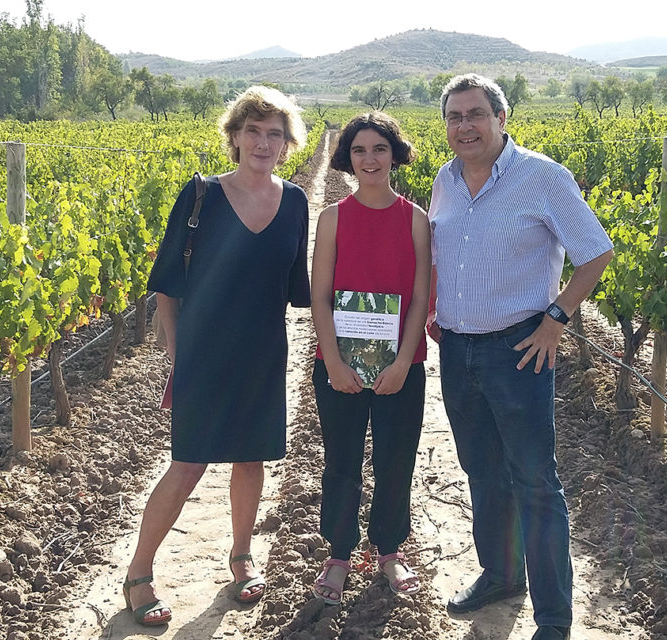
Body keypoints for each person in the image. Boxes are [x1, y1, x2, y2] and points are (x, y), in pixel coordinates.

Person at [427, 74, 614, 640]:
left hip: (518, 351)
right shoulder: (445, 179)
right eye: (455, 117)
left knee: (535, 481)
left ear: (501, 118)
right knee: (482, 474)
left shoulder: (544, 177)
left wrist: (556, 320)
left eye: (476, 114)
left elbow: (595, 253)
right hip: (457, 351)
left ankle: (553, 617)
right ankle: (501, 575)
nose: (465, 126)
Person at [123, 86, 311, 626]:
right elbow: (166, 287)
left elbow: (298, 286)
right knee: (188, 464)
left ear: (287, 144)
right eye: (252, 130)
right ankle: (139, 573)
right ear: (234, 136)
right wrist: (180, 357)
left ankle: (241, 556)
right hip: (204, 352)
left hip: (263, 352)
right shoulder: (201, 194)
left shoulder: (296, 202)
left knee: (250, 460)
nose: (263, 141)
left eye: (274, 133)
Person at [310, 112, 431, 605]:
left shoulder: (416, 219)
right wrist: (334, 362)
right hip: (338, 365)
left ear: (395, 154)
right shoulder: (333, 218)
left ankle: (388, 552)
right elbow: (320, 297)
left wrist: (403, 362)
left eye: (379, 148)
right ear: (347, 159)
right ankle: (338, 555)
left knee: (395, 460)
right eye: (359, 150)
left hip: (402, 365)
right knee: (341, 462)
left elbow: (421, 299)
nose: (369, 159)